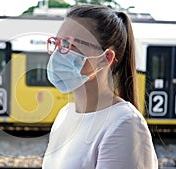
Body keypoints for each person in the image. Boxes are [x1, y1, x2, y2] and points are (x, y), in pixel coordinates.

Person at [42, 5, 158, 169]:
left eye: (69, 44)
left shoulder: (125, 124)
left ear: (105, 58)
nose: (58, 53)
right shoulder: (65, 115)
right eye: (57, 43)